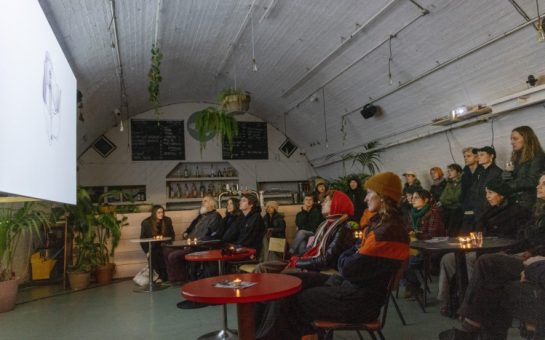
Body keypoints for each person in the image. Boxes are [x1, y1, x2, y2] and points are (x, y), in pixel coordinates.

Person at [254, 172, 410, 340]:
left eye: (369, 193)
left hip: (358, 300)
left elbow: (347, 267)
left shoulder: (386, 231)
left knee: (291, 298)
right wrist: (352, 254)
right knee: (285, 285)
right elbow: (350, 256)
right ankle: (260, 334)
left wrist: (350, 256)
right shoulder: (380, 224)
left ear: (382, 196)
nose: (365, 199)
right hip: (347, 284)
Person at [438, 173, 545, 339]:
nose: (538, 187)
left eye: (543, 184)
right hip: (526, 256)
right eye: (539, 183)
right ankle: (475, 326)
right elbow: (526, 240)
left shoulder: (519, 211)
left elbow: (536, 242)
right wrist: (510, 251)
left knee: (487, 262)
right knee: (490, 278)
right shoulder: (539, 211)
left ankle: (468, 326)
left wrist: (533, 256)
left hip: (537, 262)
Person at [254, 190, 355, 273]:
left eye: (327, 201)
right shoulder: (325, 224)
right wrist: (297, 258)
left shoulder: (342, 228)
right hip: (309, 258)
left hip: (320, 268)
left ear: (337, 204)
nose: (323, 203)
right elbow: (311, 247)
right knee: (261, 267)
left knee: (283, 272)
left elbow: (325, 260)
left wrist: (297, 262)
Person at [165, 196, 222, 284]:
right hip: (189, 243)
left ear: (212, 204)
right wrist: (186, 233)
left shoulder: (215, 216)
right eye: (202, 201)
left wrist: (197, 241)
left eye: (205, 201)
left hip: (200, 247)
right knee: (167, 251)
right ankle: (172, 278)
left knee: (173, 256)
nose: (202, 203)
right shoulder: (200, 216)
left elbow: (211, 235)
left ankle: (182, 278)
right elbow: (190, 228)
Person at [403, 189, 445, 297]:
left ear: (425, 200)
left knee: (402, 261)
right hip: (417, 247)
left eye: (416, 198)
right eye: (412, 198)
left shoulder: (433, 213)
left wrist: (416, 234)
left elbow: (432, 235)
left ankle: (413, 286)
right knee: (395, 257)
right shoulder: (412, 213)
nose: (412, 200)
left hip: (430, 249)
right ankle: (412, 286)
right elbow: (407, 228)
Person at [503, 125, 545, 212]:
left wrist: (509, 185)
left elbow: (533, 181)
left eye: (515, 139)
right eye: (511, 139)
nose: (512, 142)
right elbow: (515, 178)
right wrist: (505, 176)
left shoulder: (538, 157)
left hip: (530, 204)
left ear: (526, 139)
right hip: (517, 201)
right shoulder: (517, 158)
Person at [139, 205, 175, 282]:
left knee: (163, 253)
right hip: (153, 246)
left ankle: (164, 277)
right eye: (159, 212)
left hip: (165, 245)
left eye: (162, 212)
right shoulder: (146, 223)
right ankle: (158, 277)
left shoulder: (167, 220)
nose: (161, 214)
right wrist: (147, 251)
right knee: (153, 254)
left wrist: (169, 244)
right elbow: (142, 239)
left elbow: (172, 235)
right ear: (154, 213)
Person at [471, 146, 503, 223]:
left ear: (491, 156)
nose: (479, 157)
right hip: (480, 212)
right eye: (478, 155)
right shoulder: (481, 173)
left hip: (489, 214)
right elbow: (474, 190)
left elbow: (495, 196)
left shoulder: (497, 173)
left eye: (482, 155)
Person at [460, 147, 484, 235]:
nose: (465, 158)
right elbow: (463, 192)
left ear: (477, 157)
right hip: (467, 208)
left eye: (468, 156)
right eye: (464, 156)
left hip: (481, 209)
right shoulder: (464, 174)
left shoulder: (483, 171)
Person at [440, 163, 463, 236]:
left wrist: (447, 200)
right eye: (448, 171)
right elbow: (442, 198)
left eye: (451, 170)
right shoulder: (449, 183)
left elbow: (456, 197)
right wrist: (448, 201)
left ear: (458, 172)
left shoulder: (462, 182)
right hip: (448, 209)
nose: (449, 172)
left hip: (457, 210)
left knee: (454, 231)